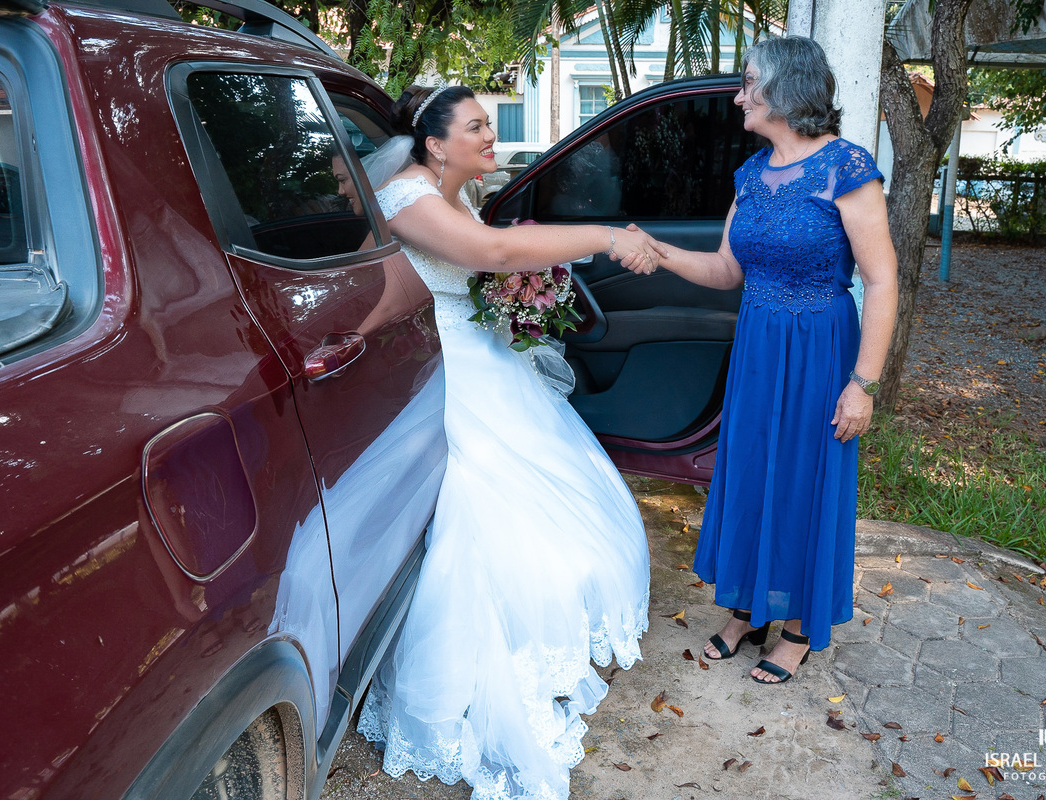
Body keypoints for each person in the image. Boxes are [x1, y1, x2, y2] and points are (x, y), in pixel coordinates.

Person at [354, 84, 662, 799]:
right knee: (485, 519)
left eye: (490, 127)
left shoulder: (450, 195)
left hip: (481, 358)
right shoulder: (407, 198)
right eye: (477, 128)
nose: (491, 138)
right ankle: (480, 669)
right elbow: (491, 251)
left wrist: (523, 294)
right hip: (444, 370)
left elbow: (488, 257)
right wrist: (605, 237)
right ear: (434, 143)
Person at [621, 36, 897, 684]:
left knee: (803, 479)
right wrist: (658, 252)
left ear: (785, 91)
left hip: (821, 349)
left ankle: (799, 627)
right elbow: (724, 269)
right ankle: (747, 610)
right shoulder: (750, 174)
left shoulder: (846, 168)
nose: (739, 95)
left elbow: (882, 281)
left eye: (749, 84)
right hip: (758, 347)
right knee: (749, 474)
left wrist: (863, 384)